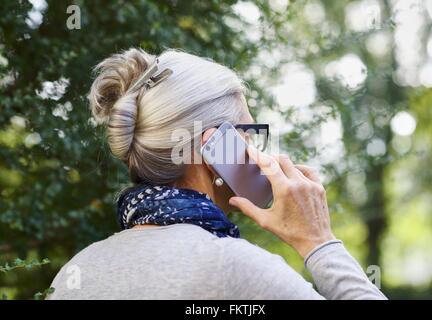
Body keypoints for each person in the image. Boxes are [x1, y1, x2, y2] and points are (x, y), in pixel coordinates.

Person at [48, 48, 386, 300]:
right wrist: (319, 242)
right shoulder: (232, 267)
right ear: (215, 148)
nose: (257, 152)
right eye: (249, 135)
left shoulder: (75, 273)